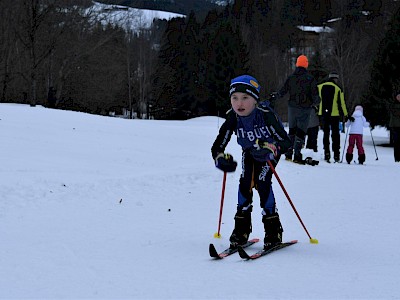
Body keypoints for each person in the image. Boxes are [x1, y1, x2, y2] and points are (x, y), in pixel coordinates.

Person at [211, 74, 292, 250]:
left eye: (245, 98)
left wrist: (272, 148)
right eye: (235, 98)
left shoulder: (265, 115)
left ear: (255, 100)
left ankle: (273, 231)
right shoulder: (233, 117)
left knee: (262, 183)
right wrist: (220, 158)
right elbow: (218, 145)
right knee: (244, 185)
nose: (239, 103)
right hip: (249, 151)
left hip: (268, 154)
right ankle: (241, 231)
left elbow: (286, 142)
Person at [276, 55, 320, 164]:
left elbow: (283, 91)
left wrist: (276, 96)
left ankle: (288, 153)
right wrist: (316, 101)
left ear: (297, 64)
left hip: (292, 108)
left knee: (292, 130)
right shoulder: (310, 79)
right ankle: (297, 154)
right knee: (301, 131)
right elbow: (315, 96)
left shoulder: (291, 78)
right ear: (306, 64)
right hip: (305, 108)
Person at [318, 71, 348, 162]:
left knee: (325, 134)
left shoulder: (320, 87)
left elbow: (317, 99)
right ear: (335, 79)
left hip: (323, 114)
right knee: (335, 135)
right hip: (334, 114)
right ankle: (336, 154)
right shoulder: (338, 89)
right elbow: (342, 103)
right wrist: (346, 114)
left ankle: (326, 153)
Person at [389, 93, 400, 162]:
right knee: (396, 142)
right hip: (395, 126)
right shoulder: (393, 105)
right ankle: (397, 158)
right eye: (398, 96)